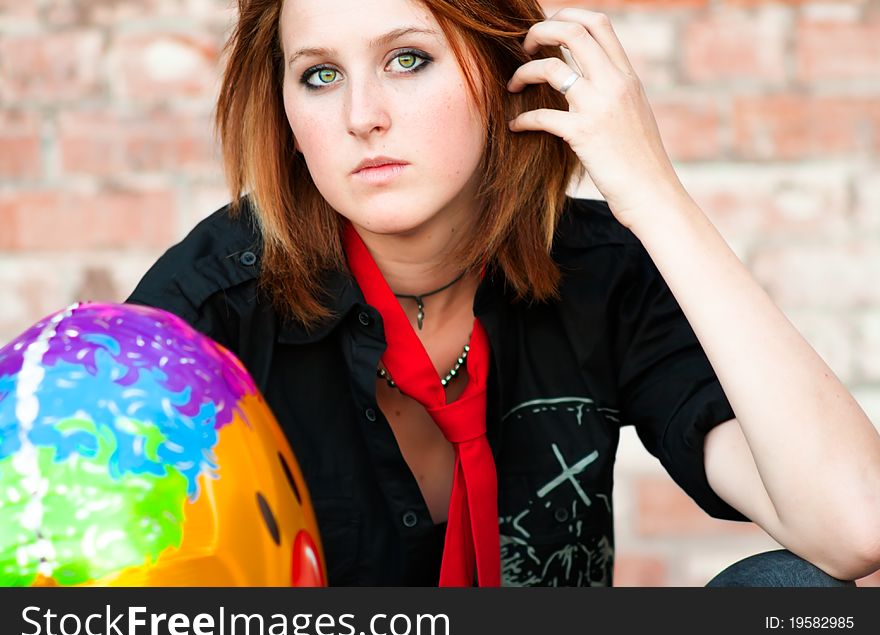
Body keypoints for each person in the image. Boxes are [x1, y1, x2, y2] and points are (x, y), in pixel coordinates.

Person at [126, 0, 880, 586]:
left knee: (786, 590)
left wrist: (652, 192)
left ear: (505, 71)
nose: (362, 117)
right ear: (287, 117)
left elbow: (852, 524)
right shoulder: (204, 314)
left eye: (408, 58)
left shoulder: (601, 274)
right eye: (320, 75)